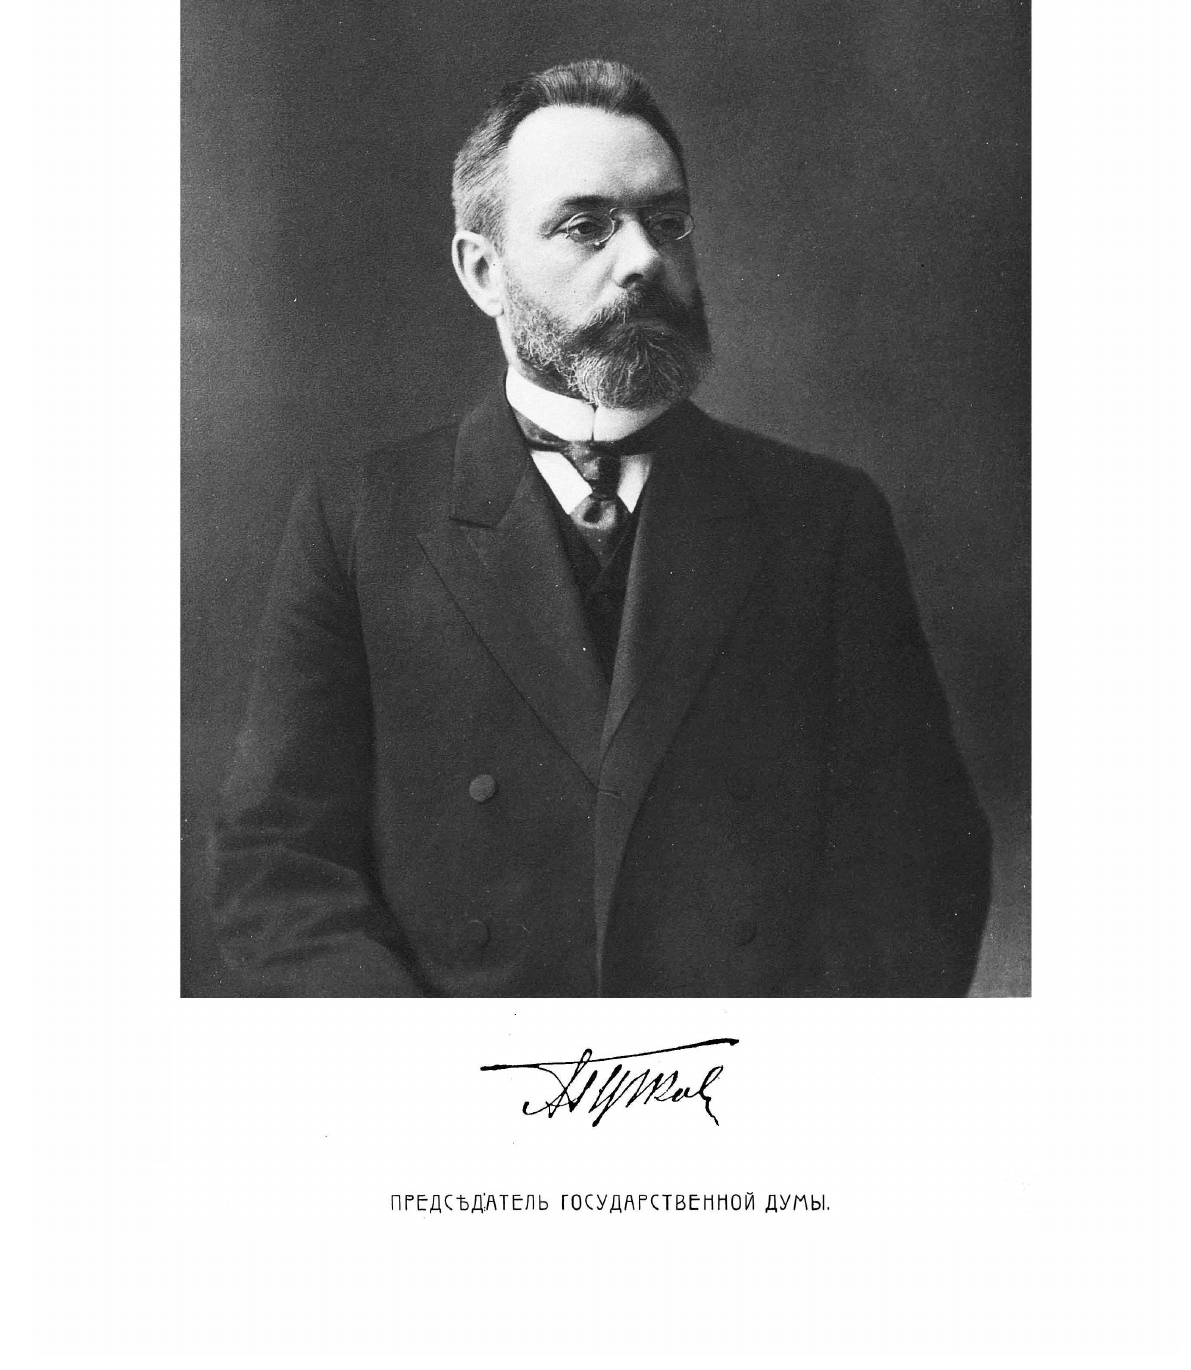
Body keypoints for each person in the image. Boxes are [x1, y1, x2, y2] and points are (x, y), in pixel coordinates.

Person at [209, 58, 992, 998]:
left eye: (667, 222)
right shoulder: (359, 519)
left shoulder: (822, 521)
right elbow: (280, 864)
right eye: (587, 227)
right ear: (483, 272)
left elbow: (916, 871)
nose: (644, 260)